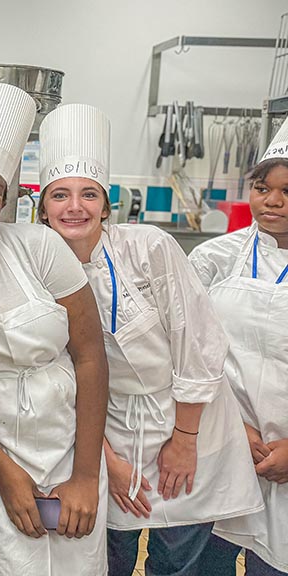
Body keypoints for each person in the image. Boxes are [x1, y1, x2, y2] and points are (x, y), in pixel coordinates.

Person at [37, 103, 264, 576]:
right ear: (42, 207)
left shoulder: (148, 248)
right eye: (60, 195)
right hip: (109, 428)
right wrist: (107, 460)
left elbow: (198, 346)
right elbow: (62, 380)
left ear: (106, 203)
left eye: (88, 194)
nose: (74, 207)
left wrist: (184, 440)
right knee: (111, 554)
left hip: (190, 419)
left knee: (182, 561)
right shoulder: (37, 269)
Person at [0, 88, 109, 576]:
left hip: (68, 442)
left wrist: (85, 475)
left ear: (6, 201)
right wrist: (5, 474)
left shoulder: (39, 247)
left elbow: (90, 356)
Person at [191, 121, 288, 576]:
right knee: (201, 562)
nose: (273, 201)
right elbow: (188, 352)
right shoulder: (214, 258)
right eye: (262, 187)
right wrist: (233, 428)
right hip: (224, 445)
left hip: (284, 458)